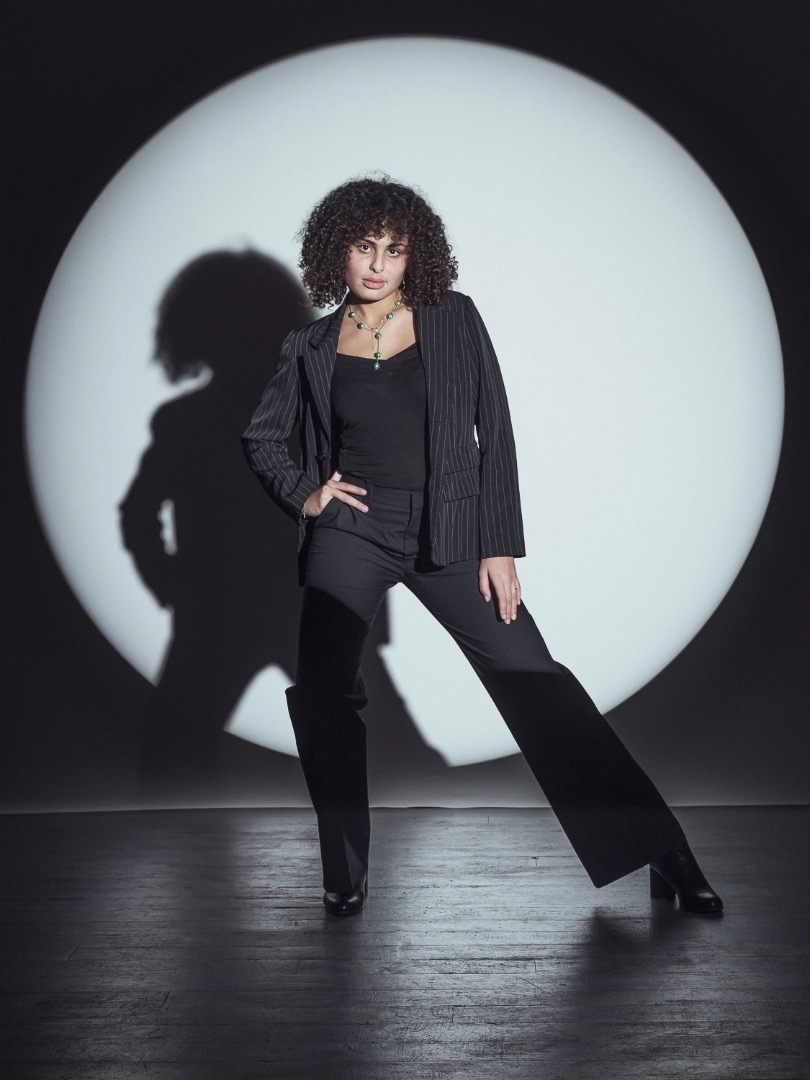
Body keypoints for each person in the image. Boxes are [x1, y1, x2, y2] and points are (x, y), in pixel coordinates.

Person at [242, 175, 723, 918]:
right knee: (323, 692)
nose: (378, 264)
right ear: (337, 251)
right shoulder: (309, 345)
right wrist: (307, 494)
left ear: (415, 256)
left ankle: (663, 851)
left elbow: (494, 428)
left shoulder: (453, 317)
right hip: (353, 531)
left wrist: (498, 544)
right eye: (365, 247)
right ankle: (344, 870)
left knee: (533, 677)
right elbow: (264, 436)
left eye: (394, 250)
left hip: (452, 530)